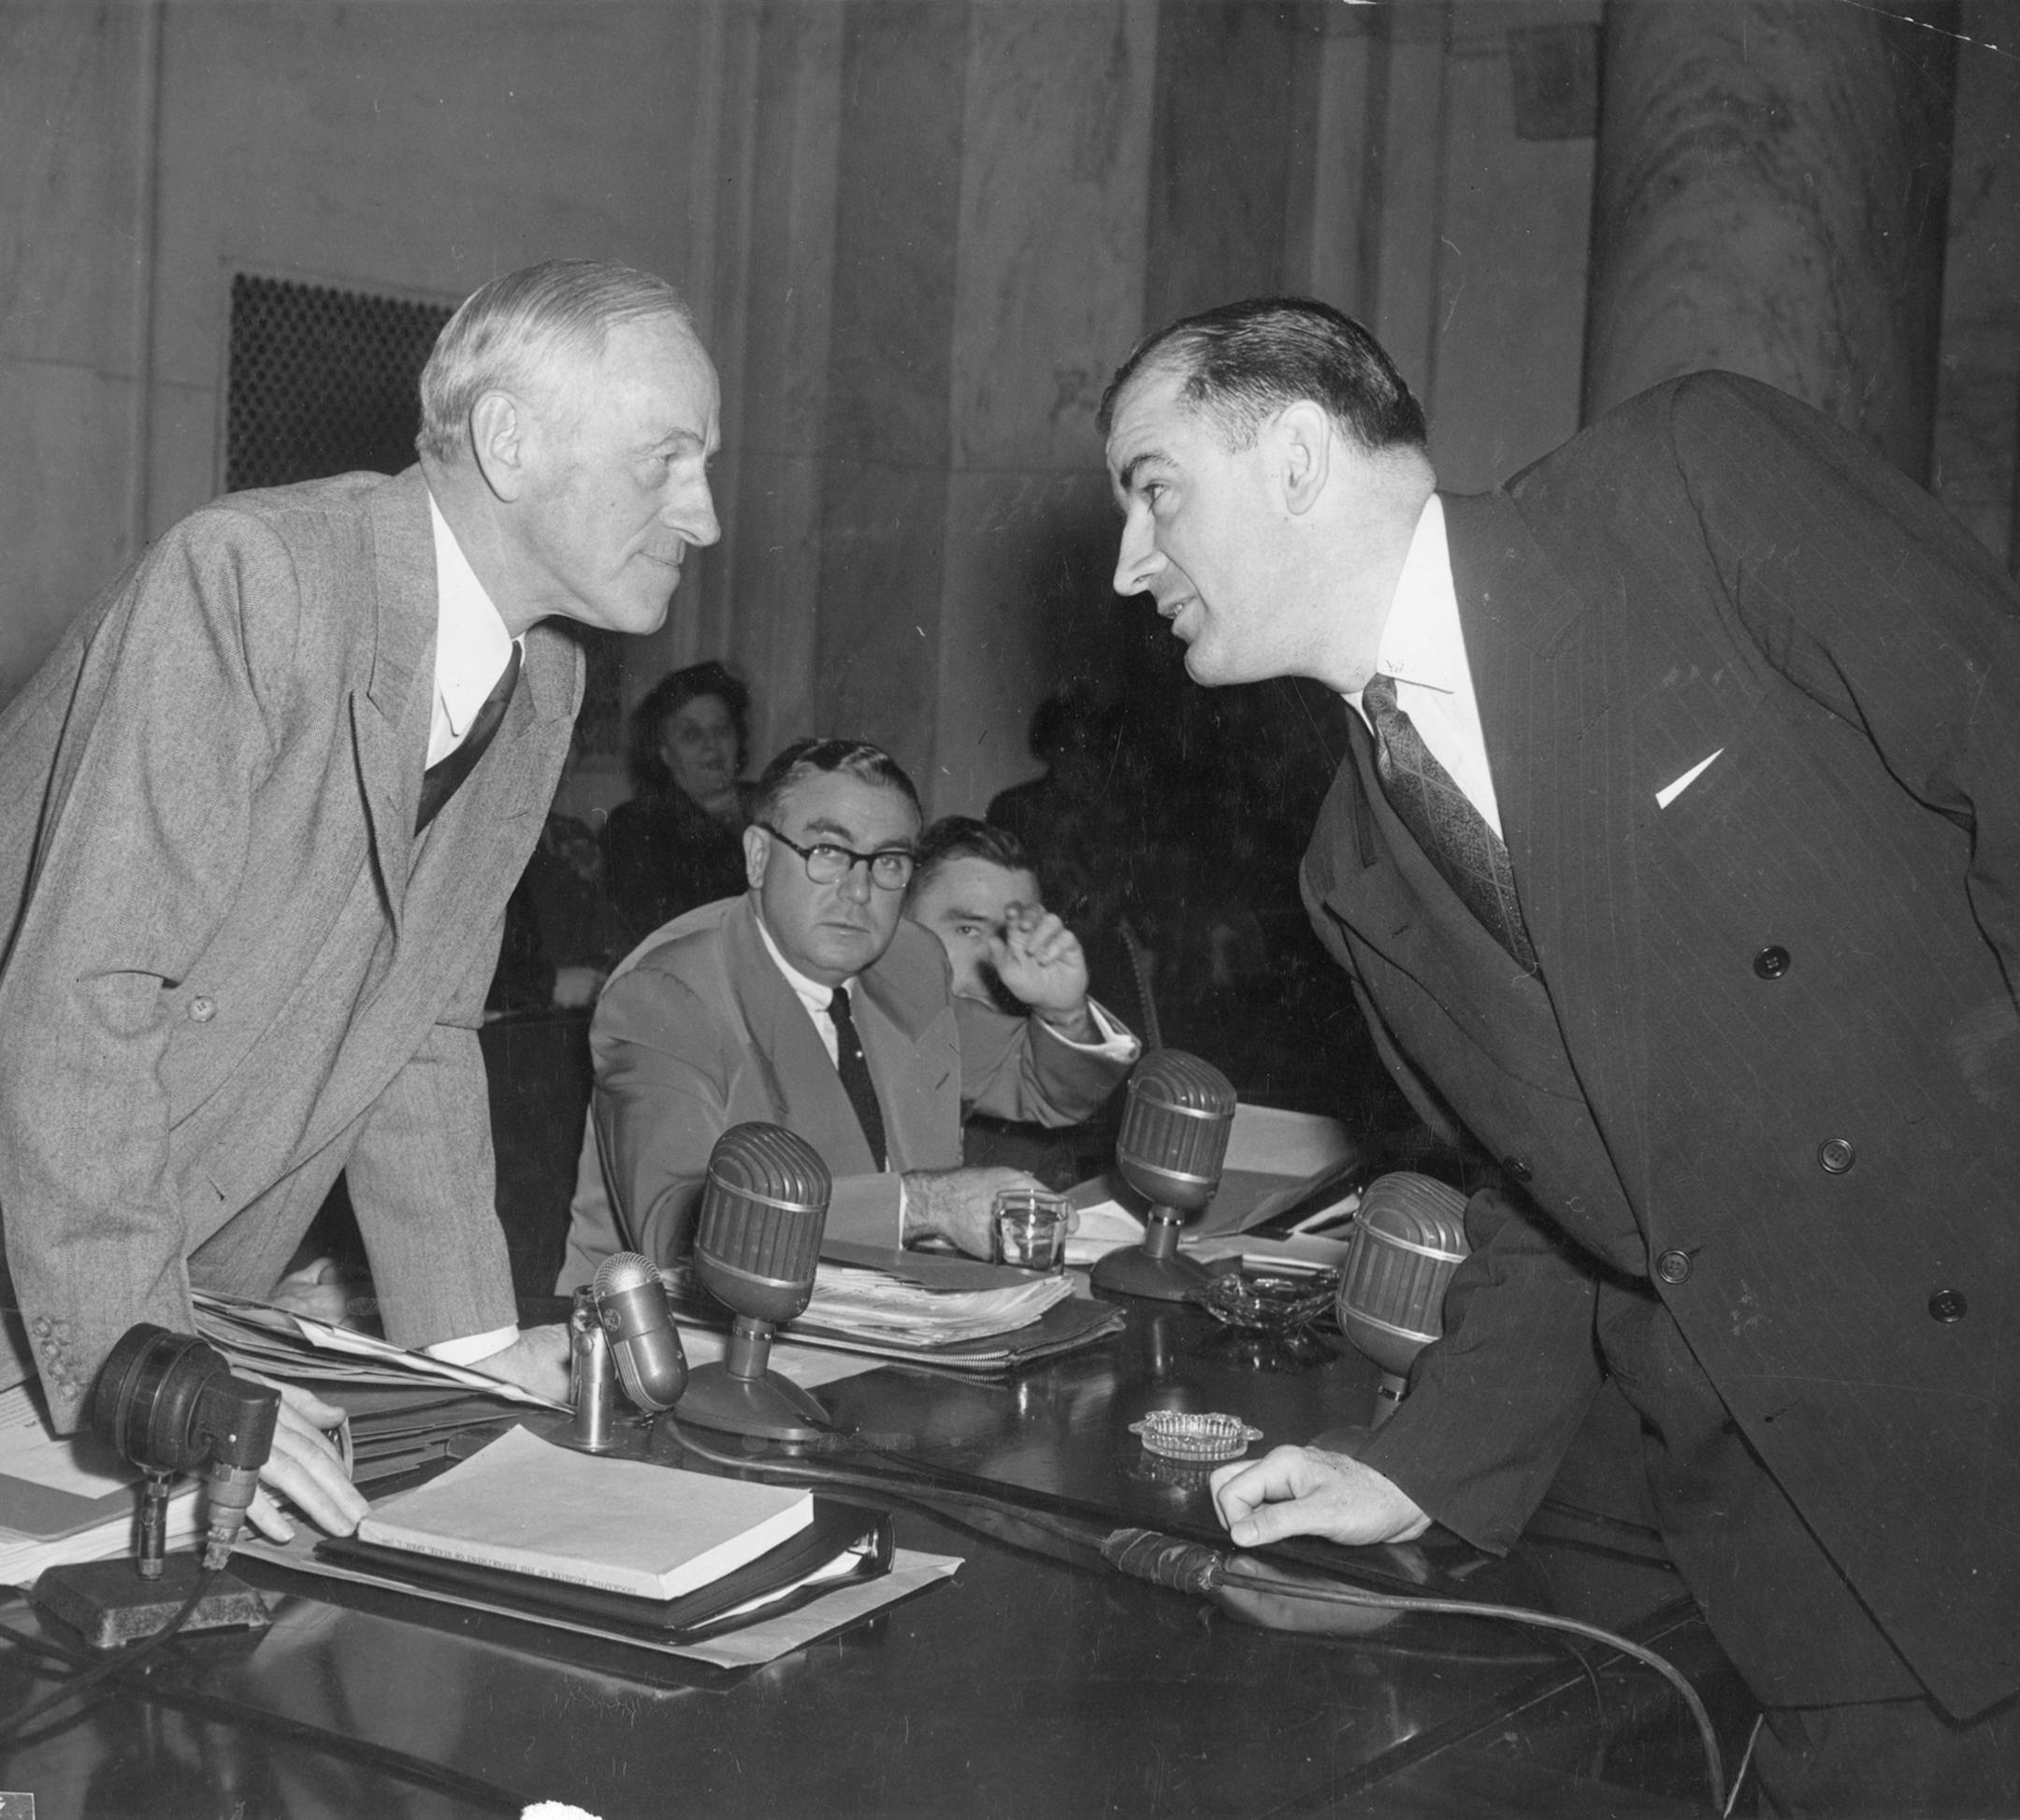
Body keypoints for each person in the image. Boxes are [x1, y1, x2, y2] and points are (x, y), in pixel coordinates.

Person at [1099, 296, 2020, 1813]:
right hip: (1815, 1550)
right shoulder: (1352, 867)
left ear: (1302, 455)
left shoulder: (1692, 490)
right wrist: (1422, 1464)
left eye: (1152, 487)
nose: (1130, 565)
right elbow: (1571, 1200)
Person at [0, 258, 722, 1541]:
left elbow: (422, 1022)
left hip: (151, 1295)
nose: (706, 514)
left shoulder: (541, 682)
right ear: (510, 440)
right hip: (65, 1291)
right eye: (668, 460)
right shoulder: (253, 582)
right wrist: (155, 1375)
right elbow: (78, 999)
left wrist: (468, 1352)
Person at [556, 740, 1138, 1285]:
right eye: (828, 852)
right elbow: (681, 1229)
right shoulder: (668, 993)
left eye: (887, 862)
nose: (859, 891)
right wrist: (924, 1206)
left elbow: (1041, 1086)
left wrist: (1062, 1014)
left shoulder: (905, 962)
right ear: (758, 857)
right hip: (696, 1348)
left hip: (891, 1324)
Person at [905, 816, 1119, 1187]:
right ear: (899, 922)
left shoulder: (1030, 1132)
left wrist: (1066, 1013)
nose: (998, 963)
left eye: (1014, 935)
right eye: (967, 929)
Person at [603, 659, 756, 953]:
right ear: (665, 755)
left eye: (721, 730)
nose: (711, 745)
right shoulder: (635, 825)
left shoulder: (774, 802)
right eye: (691, 735)